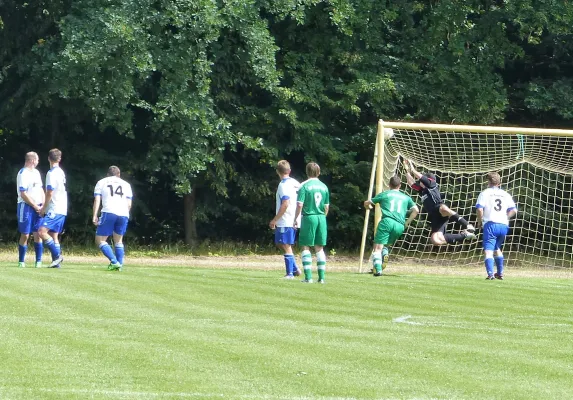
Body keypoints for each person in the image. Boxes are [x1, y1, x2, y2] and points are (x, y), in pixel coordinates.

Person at [403, 159, 475, 246]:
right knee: (436, 240)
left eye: (423, 180)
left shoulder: (432, 185)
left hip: (440, 209)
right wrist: (406, 169)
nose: (420, 182)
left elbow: (419, 176)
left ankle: (467, 225)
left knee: (443, 208)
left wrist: (412, 166)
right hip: (435, 217)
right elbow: (411, 183)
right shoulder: (422, 191)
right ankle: (465, 235)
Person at [364, 176, 420, 276]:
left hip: (387, 222)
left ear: (389, 185)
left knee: (377, 247)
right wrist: (407, 222)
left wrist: (368, 206)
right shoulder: (406, 197)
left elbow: (368, 202)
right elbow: (416, 210)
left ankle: (378, 269)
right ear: (400, 186)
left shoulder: (385, 194)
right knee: (385, 245)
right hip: (400, 225)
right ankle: (384, 255)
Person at [475, 172, 517, 280]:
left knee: (488, 249)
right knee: (497, 247)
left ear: (488, 182)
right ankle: (500, 273)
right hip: (503, 225)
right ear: (499, 182)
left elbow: (480, 208)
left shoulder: (485, 193)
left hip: (491, 224)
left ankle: (490, 274)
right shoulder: (506, 194)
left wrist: (480, 222)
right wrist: (506, 218)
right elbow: (513, 210)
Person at [293, 162, 329, 284]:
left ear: (307, 172)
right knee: (319, 247)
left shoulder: (304, 186)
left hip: (309, 217)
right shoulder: (324, 186)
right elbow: (326, 206)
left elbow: (299, 204)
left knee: (305, 246)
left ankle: (308, 277)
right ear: (319, 172)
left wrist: (295, 218)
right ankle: (322, 278)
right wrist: (323, 217)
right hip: (321, 217)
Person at [92, 166, 133, 271]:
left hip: (109, 211)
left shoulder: (102, 182)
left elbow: (97, 200)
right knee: (118, 240)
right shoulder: (126, 184)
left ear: (107, 174)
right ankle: (119, 265)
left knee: (100, 240)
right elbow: (129, 204)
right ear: (119, 174)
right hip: (123, 213)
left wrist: (95, 215)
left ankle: (114, 262)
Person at [269, 160, 302, 279]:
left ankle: (290, 273)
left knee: (286, 244)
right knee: (282, 243)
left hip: (286, 219)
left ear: (278, 171)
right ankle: (295, 269)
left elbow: (285, 203)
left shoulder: (283, 185)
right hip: (295, 218)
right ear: (289, 171)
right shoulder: (296, 183)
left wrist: (275, 219)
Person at [37, 149, 67, 268]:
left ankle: (57, 256)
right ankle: (56, 264)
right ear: (59, 159)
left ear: (48, 158)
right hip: (62, 208)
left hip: (55, 208)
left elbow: (49, 192)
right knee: (54, 235)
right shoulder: (61, 172)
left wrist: (44, 207)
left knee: (41, 232)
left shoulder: (52, 173)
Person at [16, 152, 45, 268]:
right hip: (26, 206)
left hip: (39, 206)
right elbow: (23, 194)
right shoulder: (23, 173)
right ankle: (21, 261)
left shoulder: (37, 173)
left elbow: (41, 189)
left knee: (38, 233)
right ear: (33, 160)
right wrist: (35, 206)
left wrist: (43, 205)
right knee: (26, 234)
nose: (38, 162)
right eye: (37, 160)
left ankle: (38, 261)